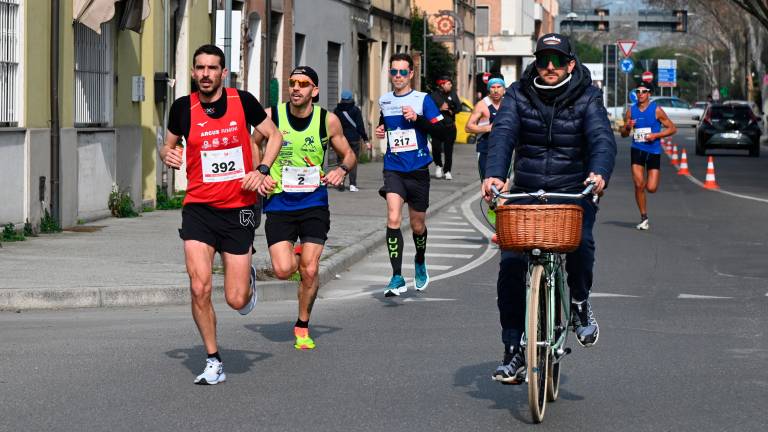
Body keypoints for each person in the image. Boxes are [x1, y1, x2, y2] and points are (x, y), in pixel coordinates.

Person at [481, 33, 617, 384]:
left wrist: (598, 173)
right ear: (536, 63)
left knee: (581, 244)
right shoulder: (518, 93)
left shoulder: (588, 96)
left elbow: (602, 137)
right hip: (526, 190)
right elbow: (503, 133)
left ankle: (580, 304)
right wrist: (495, 175)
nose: (550, 67)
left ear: (571, 63)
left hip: (573, 189)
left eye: (558, 60)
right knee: (510, 263)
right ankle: (512, 349)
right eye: (544, 60)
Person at [161, 44, 282, 385]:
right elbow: (167, 145)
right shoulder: (183, 108)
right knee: (199, 287)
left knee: (235, 298)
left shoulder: (242, 101)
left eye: (212, 68)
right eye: (199, 68)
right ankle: (213, 358)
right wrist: (167, 155)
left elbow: (275, 135)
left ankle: (247, 279)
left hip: (240, 208)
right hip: (198, 208)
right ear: (193, 72)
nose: (205, 74)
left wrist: (261, 169)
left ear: (223, 73)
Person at [254, 66, 356, 350]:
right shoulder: (272, 116)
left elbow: (348, 153)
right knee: (284, 270)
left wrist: (342, 169)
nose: (296, 88)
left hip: (313, 203)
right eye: (292, 83)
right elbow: (253, 143)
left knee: (310, 270)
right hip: (279, 202)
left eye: (303, 84)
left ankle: (302, 325)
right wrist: (258, 172)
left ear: (315, 90)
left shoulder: (328, 120)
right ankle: (295, 256)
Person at [375, 53, 449, 297]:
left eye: (402, 72)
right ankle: (396, 276)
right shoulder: (384, 101)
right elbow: (385, 123)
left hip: (418, 171)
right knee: (393, 218)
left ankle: (419, 260)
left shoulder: (423, 100)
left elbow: (442, 131)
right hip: (394, 168)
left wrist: (417, 119)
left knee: (417, 225)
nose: (397, 77)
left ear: (411, 74)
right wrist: (380, 128)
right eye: (394, 72)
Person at [620, 83, 677, 230]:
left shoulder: (656, 110)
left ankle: (643, 192)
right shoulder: (631, 111)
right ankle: (644, 216)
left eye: (643, 91)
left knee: (651, 188)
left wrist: (656, 135)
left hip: (653, 150)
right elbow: (624, 134)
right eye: (637, 91)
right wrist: (627, 127)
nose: (640, 94)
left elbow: (672, 128)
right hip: (637, 149)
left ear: (648, 94)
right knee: (639, 184)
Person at [466, 77, 505, 180]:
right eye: (493, 87)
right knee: (486, 183)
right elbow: (468, 127)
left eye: (498, 87)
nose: (496, 90)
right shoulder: (482, 105)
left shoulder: (508, 104)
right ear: (489, 89)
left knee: (504, 184)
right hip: (485, 148)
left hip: (504, 148)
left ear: (504, 89)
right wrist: (488, 128)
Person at [333, 89, 370, 192]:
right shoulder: (355, 110)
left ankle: (340, 182)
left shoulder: (337, 110)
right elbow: (360, 126)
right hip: (354, 139)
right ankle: (352, 184)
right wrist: (366, 140)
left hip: (340, 139)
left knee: (341, 160)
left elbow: (333, 126)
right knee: (352, 161)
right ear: (351, 98)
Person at [430, 75, 461, 180]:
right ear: (442, 84)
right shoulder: (434, 95)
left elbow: (459, 107)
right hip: (437, 126)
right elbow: (428, 110)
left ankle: (447, 170)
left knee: (448, 150)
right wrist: (440, 108)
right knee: (436, 148)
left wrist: (452, 110)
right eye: (448, 83)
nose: (450, 85)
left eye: (451, 83)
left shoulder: (453, 94)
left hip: (449, 126)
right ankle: (438, 165)